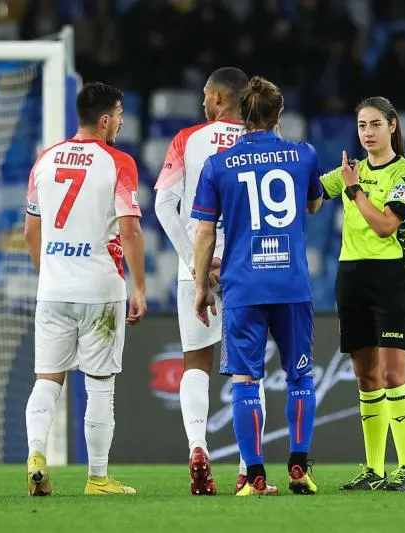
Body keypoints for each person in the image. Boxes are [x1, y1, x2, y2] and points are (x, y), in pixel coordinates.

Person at [192, 76, 324, 496]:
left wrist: (200, 287)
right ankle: (300, 467)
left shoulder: (218, 165)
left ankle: (255, 474)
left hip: (243, 286)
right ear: (278, 115)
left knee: (246, 382)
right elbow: (313, 203)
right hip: (291, 284)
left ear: (241, 116)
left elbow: (204, 235)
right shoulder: (303, 155)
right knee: (300, 377)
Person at [23, 82, 147, 496]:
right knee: (99, 383)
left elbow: (30, 232)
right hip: (100, 288)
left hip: (53, 288)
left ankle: (36, 453)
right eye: (120, 114)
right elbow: (129, 229)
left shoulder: (44, 160)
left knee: (46, 379)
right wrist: (141, 287)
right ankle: (97, 477)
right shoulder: (119, 163)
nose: (123, 121)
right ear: (106, 119)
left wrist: (50, 274)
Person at [154, 66, 253, 496]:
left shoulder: (186, 140)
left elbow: (163, 205)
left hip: (193, 265)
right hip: (247, 267)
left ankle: (198, 448)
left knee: (196, 361)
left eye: (205, 96)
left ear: (216, 97)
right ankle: (251, 468)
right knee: (247, 371)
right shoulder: (260, 140)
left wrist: (194, 261)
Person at [320, 96, 405, 491]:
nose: (367, 133)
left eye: (375, 124)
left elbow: (384, 225)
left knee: (395, 373)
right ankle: (374, 469)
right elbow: (312, 197)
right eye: (362, 126)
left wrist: (352, 190)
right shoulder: (351, 171)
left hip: (390, 276)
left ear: (393, 126)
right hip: (352, 275)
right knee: (365, 377)